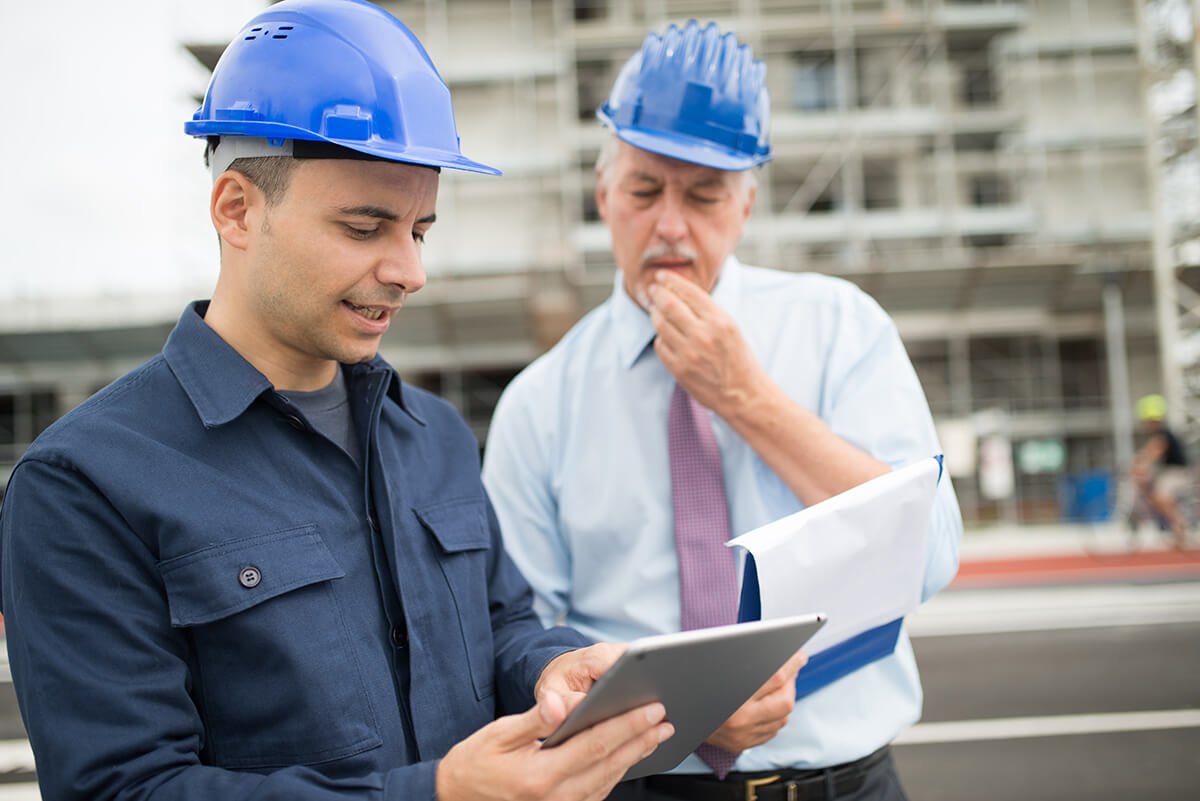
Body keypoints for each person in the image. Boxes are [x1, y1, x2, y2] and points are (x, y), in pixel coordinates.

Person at [0, 2, 675, 799]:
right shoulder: (83, 485)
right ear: (237, 208)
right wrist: (439, 794)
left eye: (420, 231)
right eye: (365, 228)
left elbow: (501, 627)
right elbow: (125, 790)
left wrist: (556, 666)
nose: (409, 270)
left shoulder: (435, 435)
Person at [482, 20, 963, 801]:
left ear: (745, 204)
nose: (670, 225)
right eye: (644, 191)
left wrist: (745, 396)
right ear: (604, 194)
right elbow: (524, 642)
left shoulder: (841, 328)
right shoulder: (540, 403)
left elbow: (931, 555)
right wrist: (686, 711)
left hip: (848, 783)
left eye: (704, 196)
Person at [1130, 393, 1191, 548]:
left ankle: (1180, 526)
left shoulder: (1162, 435)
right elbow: (1148, 453)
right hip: (1169, 471)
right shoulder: (1160, 434)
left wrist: (1140, 465)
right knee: (1151, 490)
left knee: (1160, 496)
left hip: (1178, 472)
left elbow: (1153, 453)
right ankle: (1171, 528)